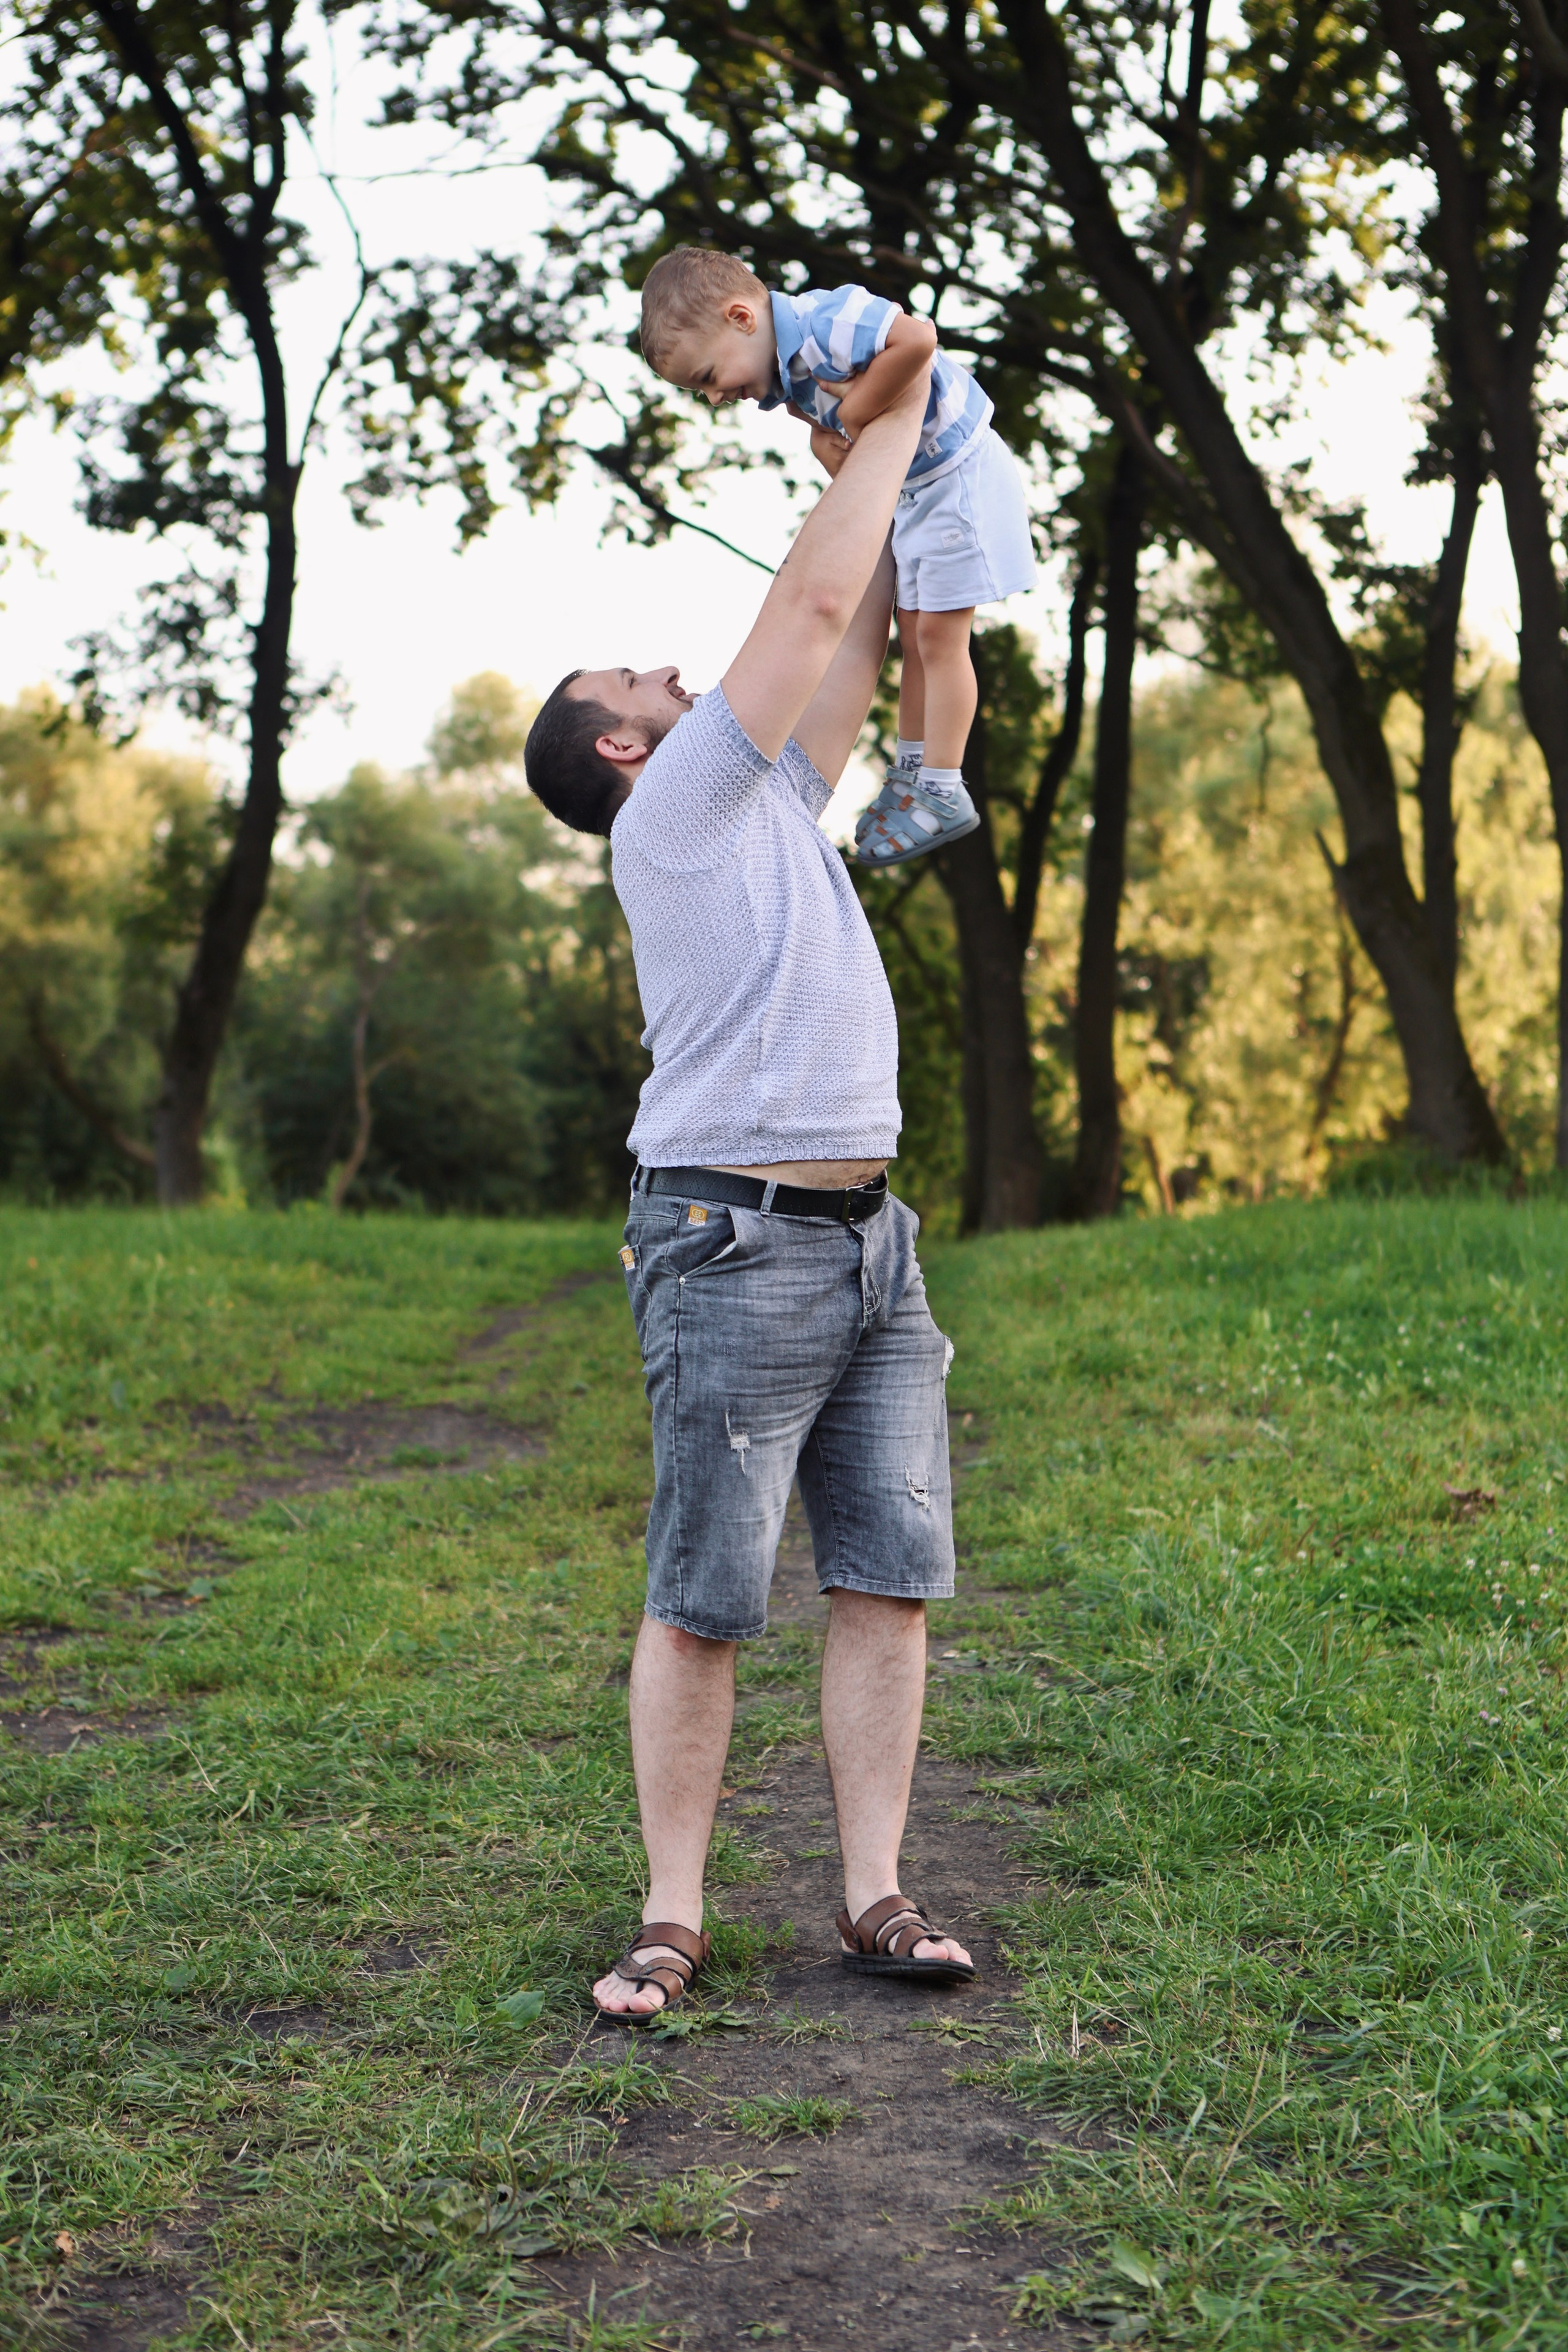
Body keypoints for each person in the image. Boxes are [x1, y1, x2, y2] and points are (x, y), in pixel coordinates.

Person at [522, 360, 976, 2022]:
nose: (669, 668)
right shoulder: (676, 812)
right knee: (706, 1590)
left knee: (887, 1575)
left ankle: (874, 1895)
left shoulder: (768, 788)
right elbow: (809, 599)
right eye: (637, 678)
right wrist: (893, 416)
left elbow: (854, 633)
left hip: (870, 1243)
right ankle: (671, 1918)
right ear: (625, 745)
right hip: (732, 1240)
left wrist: (868, 459)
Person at [637, 244, 1036, 870]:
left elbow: (918, 339)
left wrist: (852, 410)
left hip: (957, 474)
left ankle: (943, 784)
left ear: (741, 318)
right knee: (915, 634)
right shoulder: (787, 378)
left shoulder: (828, 321)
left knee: (940, 637)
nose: (714, 397)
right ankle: (913, 772)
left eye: (708, 377)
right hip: (919, 488)